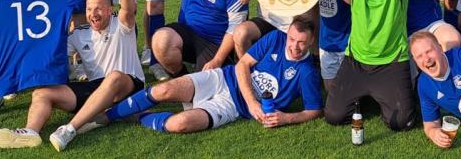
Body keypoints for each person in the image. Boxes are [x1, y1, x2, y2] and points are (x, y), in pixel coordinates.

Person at [301, 0, 434, 131]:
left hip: (391, 62)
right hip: (356, 60)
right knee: (333, 116)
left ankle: (379, 98)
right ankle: (364, 97)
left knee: (402, 122)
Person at [0, 0, 145, 152]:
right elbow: (42, 56)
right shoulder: (79, 34)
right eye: (89, 9)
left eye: (99, 9)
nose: (93, 14)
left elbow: (128, 10)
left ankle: (70, 129)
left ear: (110, 10)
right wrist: (1, 71)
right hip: (96, 90)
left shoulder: (121, 24)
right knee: (42, 93)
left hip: (129, 86)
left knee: (114, 76)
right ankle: (30, 131)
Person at [95, 16, 322, 138]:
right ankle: (104, 117)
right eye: (292, 39)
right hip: (223, 78)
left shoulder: (307, 71)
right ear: (288, 33)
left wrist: (286, 118)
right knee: (162, 90)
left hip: (232, 107)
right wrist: (253, 102)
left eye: (301, 42)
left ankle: (135, 116)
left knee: (179, 123)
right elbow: (243, 65)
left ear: (310, 42)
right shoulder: (275, 38)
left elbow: (314, 110)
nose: (294, 46)